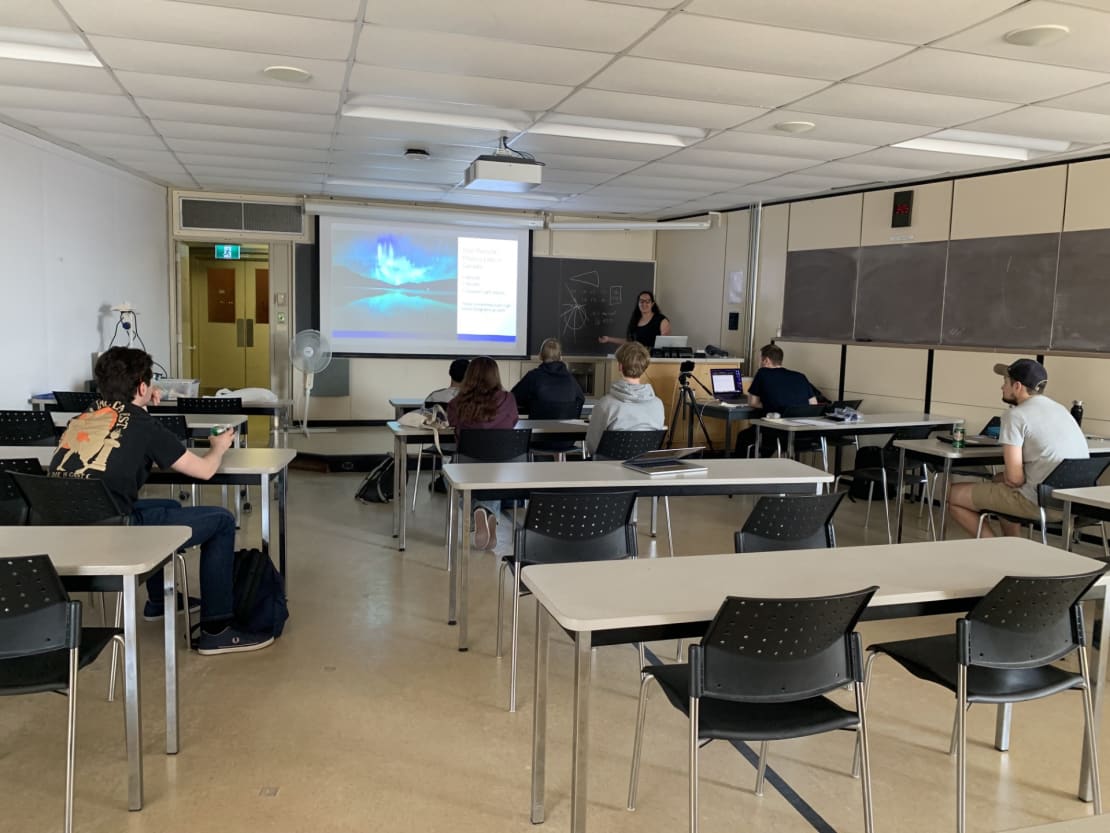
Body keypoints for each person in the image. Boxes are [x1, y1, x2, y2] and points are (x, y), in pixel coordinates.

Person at [47, 347, 273, 655]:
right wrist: (218, 446)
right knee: (221, 520)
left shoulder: (82, 418)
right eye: (149, 383)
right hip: (115, 534)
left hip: (67, 533)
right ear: (142, 386)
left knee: (169, 508)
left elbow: (122, 432)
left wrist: (140, 407)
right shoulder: (144, 426)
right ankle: (217, 630)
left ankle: (158, 601)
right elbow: (205, 471)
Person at [947, 359, 1088, 538]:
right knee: (1000, 485)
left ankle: (996, 548)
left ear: (1017, 386)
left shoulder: (1016, 415)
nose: (1002, 387)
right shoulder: (1061, 410)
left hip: (1041, 503)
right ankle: (1012, 544)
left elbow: (1014, 480)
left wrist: (1001, 478)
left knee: (952, 495)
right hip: (1073, 502)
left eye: (1005, 382)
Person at [446, 356, 519, 550]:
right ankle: (487, 513)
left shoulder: (456, 403)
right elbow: (512, 423)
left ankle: (478, 510)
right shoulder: (508, 399)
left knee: (450, 478)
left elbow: (452, 426)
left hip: (466, 465)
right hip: (502, 467)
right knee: (491, 474)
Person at [585, 341, 665, 457]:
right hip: (642, 469)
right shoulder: (658, 404)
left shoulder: (606, 404)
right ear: (644, 368)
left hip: (608, 471)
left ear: (620, 366)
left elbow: (592, 446)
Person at [511, 338, 585, 418]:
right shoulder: (571, 380)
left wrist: (531, 404)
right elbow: (580, 400)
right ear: (561, 357)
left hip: (537, 428)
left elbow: (512, 398)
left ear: (540, 356)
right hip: (567, 429)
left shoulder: (533, 377)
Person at [746, 343, 819, 413]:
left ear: (766, 361)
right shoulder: (801, 376)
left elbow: (753, 402)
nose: (758, 363)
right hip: (802, 423)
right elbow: (813, 404)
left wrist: (770, 406)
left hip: (775, 423)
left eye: (759, 360)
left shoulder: (762, 373)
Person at [598, 289, 671, 349]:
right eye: (641, 301)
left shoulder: (662, 320)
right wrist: (608, 339)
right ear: (638, 303)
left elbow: (664, 344)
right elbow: (630, 342)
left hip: (654, 361)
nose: (644, 304)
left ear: (652, 304)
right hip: (636, 360)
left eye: (647, 301)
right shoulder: (635, 320)